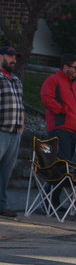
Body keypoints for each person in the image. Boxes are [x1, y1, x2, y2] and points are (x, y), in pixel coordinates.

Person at [40, 53, 76, 161]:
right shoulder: (53, 80)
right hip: (60, 128)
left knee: (67, 163)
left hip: (74, 130)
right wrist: (63, 110)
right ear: (66, 67)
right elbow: (47, 99)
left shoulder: (75, 85)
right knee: (61, 164)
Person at [0, 45, 25, 218]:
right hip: (1, 130)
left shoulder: (16, 79)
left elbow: (20, 104)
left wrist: (22, 123)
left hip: (15, 132)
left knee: (5, 173)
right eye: (10, 56)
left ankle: (2, 205)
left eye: (15, 57)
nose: (13, 60)